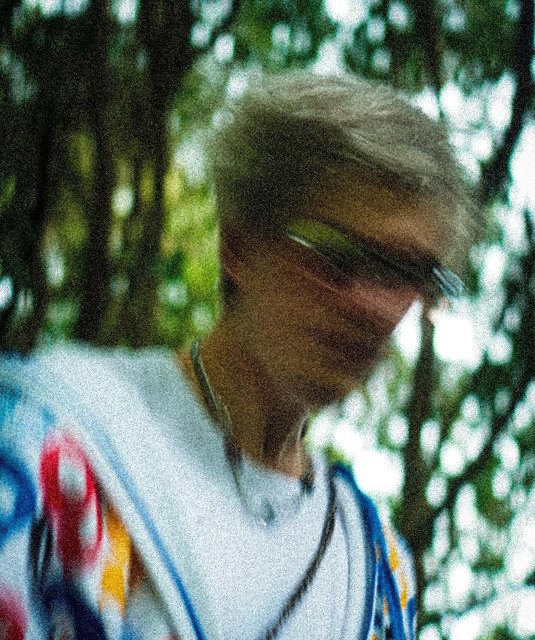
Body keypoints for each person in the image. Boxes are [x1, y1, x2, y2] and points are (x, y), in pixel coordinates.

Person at [0, 72, 473, 640]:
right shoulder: (53, 438)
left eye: (406, 273)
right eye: (337, 254)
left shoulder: (379, 573)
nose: (374, 306)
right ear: (239, 247)